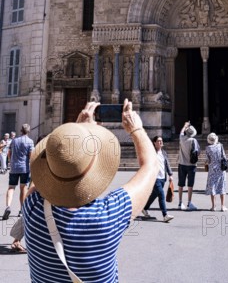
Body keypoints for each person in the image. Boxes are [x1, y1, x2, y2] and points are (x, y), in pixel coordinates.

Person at [22, 99, 158, 282]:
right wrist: (136, 129)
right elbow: (150, 165)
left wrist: (72, 135)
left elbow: (40, 179)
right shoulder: (108, 216)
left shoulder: (31, 208)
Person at [2, 124, 34, 220]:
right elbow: (31, 156)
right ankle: (21, 210)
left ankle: (8, 206)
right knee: (23, 188)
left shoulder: (14, 140)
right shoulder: (30, 142)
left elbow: (9, 153)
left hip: (14, 167)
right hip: (24, 168)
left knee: (11, 187)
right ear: (29, 131)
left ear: (21, 130)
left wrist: (10, 161)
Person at [141, 136, 174, 222]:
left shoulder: (164, 153)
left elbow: (167, 164)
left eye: (161, 141)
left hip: (163, 178)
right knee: (161, 195)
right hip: (155, 178)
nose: (160, 142)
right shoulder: (151, 153)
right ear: (154, 143)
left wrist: (170, 174)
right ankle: (165, 215)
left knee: (154, 195)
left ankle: (144, 208)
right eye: (158, 141)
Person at [177, 121, 200, 210]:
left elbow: (181, 132)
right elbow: (198, 153)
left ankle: (180, 202)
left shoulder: (182, 138)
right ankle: (189, 203)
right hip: (192, 165)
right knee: (190, 185)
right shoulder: (193, 140)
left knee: (181, 184)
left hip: (182, 164)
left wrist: (185, 125)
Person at [205, 133, 227, 211]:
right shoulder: (220, 146)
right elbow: (224, 157)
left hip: (212, 170)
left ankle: (214, 206)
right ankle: (222, 206)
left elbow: (208, 160)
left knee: (213, 187)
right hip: (221, 169)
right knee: (222, 187)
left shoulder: (207, 148)